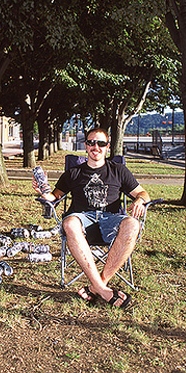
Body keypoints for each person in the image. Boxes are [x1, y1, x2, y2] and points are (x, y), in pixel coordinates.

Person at [33, 127, 150, 309]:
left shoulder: (119, 170)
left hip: (111, 218)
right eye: (91, 142)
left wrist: (139, 201)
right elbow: (55, 197)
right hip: (82, 219)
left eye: (101, 143)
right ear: (86, 146)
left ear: (107, 147)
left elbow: (143, 193)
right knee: (69, 223)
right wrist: (44, 192)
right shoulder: (73, 173)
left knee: (133, 224)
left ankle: (96, 288)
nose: (96, 146)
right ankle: (105, 291)